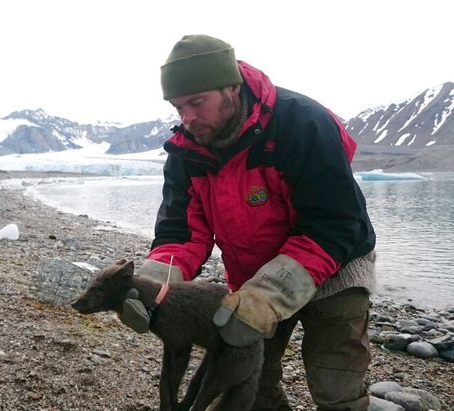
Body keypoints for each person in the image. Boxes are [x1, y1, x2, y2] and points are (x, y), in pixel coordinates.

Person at [125, 34, 377, 410]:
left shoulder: (302, 124)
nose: (188, 118)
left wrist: (267, 297)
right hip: (252, 276)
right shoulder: (186, 152)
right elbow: (181, 233)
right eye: (179, 107)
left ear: (232, 86)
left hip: (337, 266)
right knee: (248, 379)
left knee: (335, 383)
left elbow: (334, 225)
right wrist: (151, 288)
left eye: (197, 102)